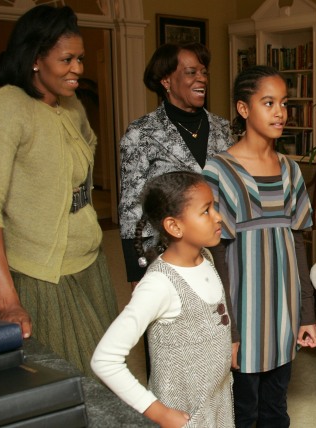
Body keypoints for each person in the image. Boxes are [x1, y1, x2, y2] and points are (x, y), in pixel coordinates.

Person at [0, 5, 117, 377]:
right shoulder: (6, 107)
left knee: (109, 372)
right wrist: (8, 301)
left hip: (91, 262)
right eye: (66, 59)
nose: (79, 69)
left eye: (80, 58)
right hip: (43, 274)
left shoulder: (72, 105)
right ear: (35, 59)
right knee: (75, 382)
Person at [203, 65, 316, 428]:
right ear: (243, 109)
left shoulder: (291, 170)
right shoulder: (217, 170)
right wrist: (230, 330)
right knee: (243, 412)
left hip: (282, 314)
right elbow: (216, 255)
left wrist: (306, 314)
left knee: (276, 410)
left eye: (283, 103)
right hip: (242, 315)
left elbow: (299, 243)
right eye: (268, 103)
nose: (280, 112)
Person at [92, 171, 234, 428]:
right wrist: (158, 413)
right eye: (206, 211)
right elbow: (105, 359)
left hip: (217, 404)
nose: (218, 217)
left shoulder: (206, 258)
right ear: (174, 226)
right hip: (184, 415)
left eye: (214, 207)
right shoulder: (159, 284)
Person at [119, 42, 234, 284]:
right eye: (191, 72)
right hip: (168, 256)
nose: (201, 79)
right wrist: (137, 272)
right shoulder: (141, 133)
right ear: (166, 81)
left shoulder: (223, 128)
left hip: (221, 249)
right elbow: (131, 208)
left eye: (204, 72)